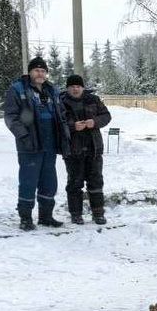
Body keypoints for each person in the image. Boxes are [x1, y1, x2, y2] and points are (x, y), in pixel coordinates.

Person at [3, 56, 71, 231]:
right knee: (28, 182)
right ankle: (25, 218)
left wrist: (64, 135)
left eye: (43, 71)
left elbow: (61, 115)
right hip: (30, 144)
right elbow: (11, 117)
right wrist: (23, 136)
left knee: (49, 181)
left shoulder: (52, 91)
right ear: (30, 72)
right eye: (36, 70)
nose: (40, 74)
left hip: (50, 144)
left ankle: (46, 216)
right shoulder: (18, 89)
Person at [60, 74, 112, 225]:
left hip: (93, 148)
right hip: (72, 150)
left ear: (82, 87)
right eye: (72, 86)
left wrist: (94, 122)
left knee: (96, 182)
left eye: (78, 86)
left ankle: (98, 213)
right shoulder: (61, 102)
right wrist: (72, 127)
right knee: (74, 183)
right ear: (67, 88)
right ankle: (76, 214)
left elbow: (106, 116)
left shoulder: (93, 100)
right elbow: (57, 124)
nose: (75, 89)